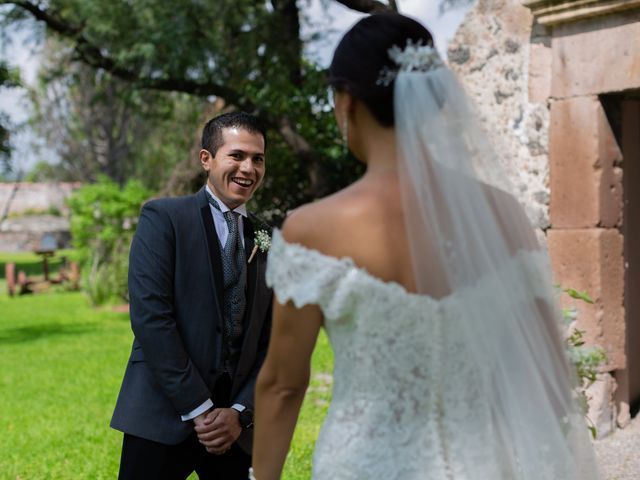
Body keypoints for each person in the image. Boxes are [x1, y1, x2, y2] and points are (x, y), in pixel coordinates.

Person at [251, 12, 601, 480]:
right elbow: (551, 380)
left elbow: (283, 386)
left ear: (347, 102)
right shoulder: (505, 218)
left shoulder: (312, 229)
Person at [111, 111, 273, 479]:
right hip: (163, 414)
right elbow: (152, 318)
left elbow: (272, 338)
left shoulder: (267, 238)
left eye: (258, 159)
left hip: (235, 428)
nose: (248, 168)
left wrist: (239, 411)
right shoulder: (164, 218)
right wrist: (200, 409)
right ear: (207, 159)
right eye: (236, 155)